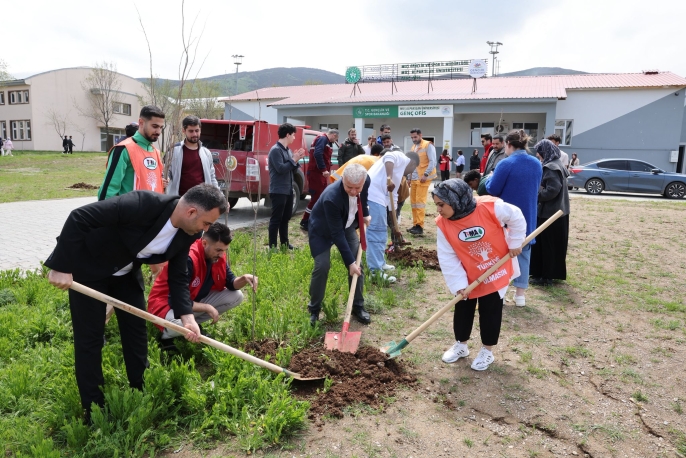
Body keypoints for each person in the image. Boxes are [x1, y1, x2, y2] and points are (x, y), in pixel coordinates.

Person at [44, 184, 228, 421]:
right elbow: (79, 216)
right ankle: (94, 408)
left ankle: (140, 388)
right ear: (191, 212)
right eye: (207, 223)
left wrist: (188, 317)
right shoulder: (142, 204)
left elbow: (178, 276)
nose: (207, 229)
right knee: (90, 338)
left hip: (125, 275)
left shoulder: (188, 233)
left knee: (136, 331)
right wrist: (61, 266)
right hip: (90, 269)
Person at [433, 179, 525, 371]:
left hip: (495, 268)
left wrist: (515, 242)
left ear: (455, 200)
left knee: (491, 309)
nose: (438, 210)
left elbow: (516, 216)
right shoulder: (443, 224)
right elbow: (447, 256)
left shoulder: (490, 207)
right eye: (437, 205)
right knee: (462, 307)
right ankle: (461, 345)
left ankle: (487, 351)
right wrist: (459, 284)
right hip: (467, 273)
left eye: (441, 205)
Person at [148, 222, 257, 347]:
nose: (222, 254)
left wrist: (243, 279)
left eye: (224, 250)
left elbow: (231, 282)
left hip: (189, 301)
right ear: (204, 243)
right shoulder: (188, 258)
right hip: (165, 305)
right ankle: (168, 336)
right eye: (218, 250)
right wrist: (206, 307)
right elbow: (176, 300)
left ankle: (192, 326)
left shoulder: (216, 256)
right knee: (178, 325)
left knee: (236, 296)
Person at [307, 163, 371, 325]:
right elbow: (337, 234)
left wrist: (365, 214)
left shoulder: (365, 181)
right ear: (343, 179)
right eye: (349, 187)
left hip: (346, 224)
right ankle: (314, 309)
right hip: (322, 230)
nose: (354, 191)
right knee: (322, 266)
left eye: (358, 188)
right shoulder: (332, 197)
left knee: (358, 266)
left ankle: (358, 306)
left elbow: (363, 198)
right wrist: (349, 262)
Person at [486, 129, 542, 307]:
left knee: (501, 254)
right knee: (524, 253)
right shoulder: (536, 163)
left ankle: (500, 293)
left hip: (506, 217)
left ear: (508, 144)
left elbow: (493, 189)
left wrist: (489, 178)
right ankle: (520, 296)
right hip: (528, 214)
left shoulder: (505, 163)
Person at [366, 150, 419, 282]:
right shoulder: (401, 158)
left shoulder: (399, 174)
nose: (411, 172)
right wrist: (388, 178)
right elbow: (388, 156)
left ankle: (380, 263)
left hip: (378, 199)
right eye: (413, 169)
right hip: (373, 196)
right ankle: (375, 271)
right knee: (376, 233)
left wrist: (395, 226)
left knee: (381, 232)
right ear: (413, 163)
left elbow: (393, 198)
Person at [98, 105, 166, 200]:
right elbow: (109, 190)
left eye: (161, 127)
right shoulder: (123, 149)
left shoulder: (156, 152)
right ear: (141, 123)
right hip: (130, 209)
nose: (158, 131)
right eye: (155, 126)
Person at [529, 139, 570, 286]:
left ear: (545, 152)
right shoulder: (557, 163)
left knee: (547, 246)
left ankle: (545, 276)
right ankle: (547, 273)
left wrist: (536, 194)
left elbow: (552, 189)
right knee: (553, 245)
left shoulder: (551, 167)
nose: (538, 155)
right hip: (558, 212)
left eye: (539, 152)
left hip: (550, 214)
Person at [267, 123, 307, 249]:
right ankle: (272, 246)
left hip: (288, 189)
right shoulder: (275, 150)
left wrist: (297, 159)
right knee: (276, 219)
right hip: (278, 190)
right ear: (288, 135)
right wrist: (293, 159)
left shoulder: (287, 150)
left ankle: (285, 243)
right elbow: (281, 169)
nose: (294, 137)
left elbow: (291, 169)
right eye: (293, 135)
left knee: (285, 218)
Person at [165, 116, 219, 197]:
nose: (194, 134)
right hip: (179, 200)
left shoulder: (206, 153)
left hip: (202, 200)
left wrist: (221, 198)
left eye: (197, 131)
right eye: (191, 131)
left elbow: (212, 178)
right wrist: (167, 179)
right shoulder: (173, 151)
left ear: (200, 130)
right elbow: (166, 172)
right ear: (184, 130)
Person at [300, 128, 338, 232]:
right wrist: (323, 169)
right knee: (316, 198)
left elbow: (322, 155)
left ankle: (314, 220)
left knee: (320, 197)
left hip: (318, 173)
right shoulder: (323, 139)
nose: (335, 141)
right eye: (336, 139)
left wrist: (327, 164)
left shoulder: (324, 140)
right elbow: (317, 154)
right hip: (316, 173)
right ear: (334, 135)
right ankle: (305, 220)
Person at [408, 128, 437, 236]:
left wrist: (426, 174)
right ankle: (415, 224)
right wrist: (409, 177)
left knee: (420, 202)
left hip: (423, 178)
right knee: (414, 202)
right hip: (414, 178)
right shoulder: (413, 147)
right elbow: (412, 163)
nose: (413, 139)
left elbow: (432, 161)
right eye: (412, 137)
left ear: (421, 135)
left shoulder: (428, 145)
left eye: (415, 137)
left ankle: (420, 226)